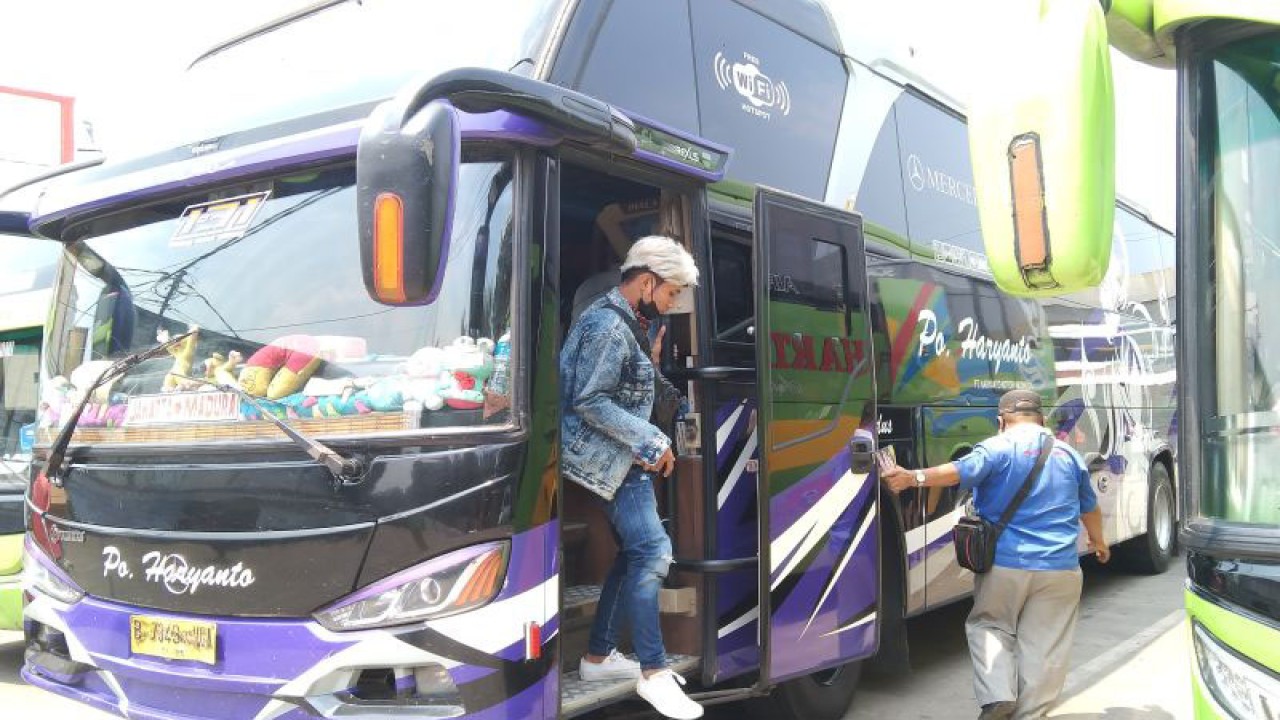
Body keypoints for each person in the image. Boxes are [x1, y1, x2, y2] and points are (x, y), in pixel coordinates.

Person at [881, 389, 1110, 720]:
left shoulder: (997, 447)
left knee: (989, 625)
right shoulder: (1068, 455)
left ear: (1001, 421)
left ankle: (998, 693)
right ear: (1042, 419)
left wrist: (910, 477)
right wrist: (1099, 542)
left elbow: (956, 471)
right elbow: (1090, 509)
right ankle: (1030, 714)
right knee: (1044, 645)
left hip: (1005, 565)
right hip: (1060, 567)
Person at [560, 235, 703, 720]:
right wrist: (652, 440)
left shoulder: (627, 321)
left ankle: (599, 657)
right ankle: (655, 674)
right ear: (646, 282)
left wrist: (682, 407)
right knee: (654, 551)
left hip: (623, 457)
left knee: (636, 552)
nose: (673, 303)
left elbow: (637, 384)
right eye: (670, 293)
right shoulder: (606, 327)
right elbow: (590, 400)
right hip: (616, 459)